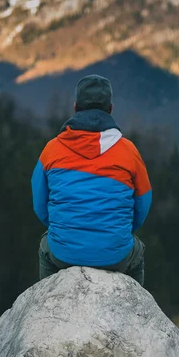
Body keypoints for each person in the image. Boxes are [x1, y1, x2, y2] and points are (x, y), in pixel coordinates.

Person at [31, 74, 152, 285]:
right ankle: (137, 310)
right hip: (116, 254)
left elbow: (39, 204)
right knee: (138, 252)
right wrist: (117, 231)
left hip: (63, 253)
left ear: (75, 107)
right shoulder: (129, 151)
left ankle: (46, 304)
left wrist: (65, 228)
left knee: (45, 246)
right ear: (111, 109)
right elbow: (143, 203)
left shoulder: (52, 150)